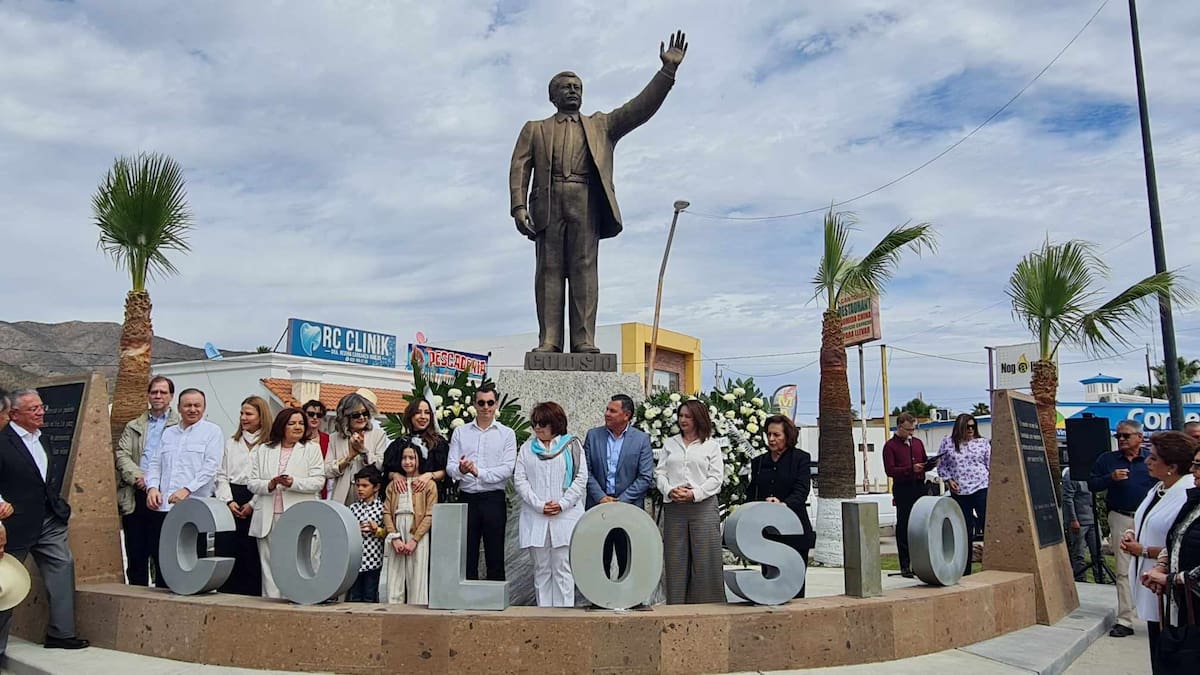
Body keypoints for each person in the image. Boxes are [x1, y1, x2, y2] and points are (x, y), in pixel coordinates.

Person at [508, 32, 688, 354]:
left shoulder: (600, 125)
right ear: (553, 96)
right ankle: (549, 340)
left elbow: (639, 109)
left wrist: (667, 73)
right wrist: (519, 207)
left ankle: (583, 340)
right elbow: (520, 167)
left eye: (577, 87)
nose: (573, 91)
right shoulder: (534, 128)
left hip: (585, 201)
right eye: (566, 87)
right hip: (548, 204)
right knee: (548, 272)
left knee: (584, 270)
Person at [0, 388, 89, 654]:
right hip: (13, 524)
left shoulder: (44, 439)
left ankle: (61, 634)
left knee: (62, 566)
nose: (40, 413)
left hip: (49, 519)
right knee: (7, 583)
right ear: (14, 414)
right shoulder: (2, 439)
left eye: (42, 407)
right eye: (33, 409)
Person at [1121, 431, 1195, 673]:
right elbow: (1146, 521)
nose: (1147, 462)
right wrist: (1132, 533)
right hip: (1151, 580)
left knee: (1174, 654)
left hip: (1173, 587)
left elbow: (1179, 542)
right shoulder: (1158, 488)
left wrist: (1143, 551)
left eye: (1153, 458)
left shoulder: (1185, 494)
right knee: (1159, 648)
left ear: (1172, 466)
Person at [145, 388, 224, 588]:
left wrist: (187, 489)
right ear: (179, 408)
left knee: (191, 558)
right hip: (165, 508)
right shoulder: (168, 433)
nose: (192, 409)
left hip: (195, 507)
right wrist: (152, 488)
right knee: (164, 557)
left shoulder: (212, 432)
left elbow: (210, 467)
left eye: (197, 405)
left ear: (204, 408)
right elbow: (155, 463)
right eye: (187, 405)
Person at [514, 402, 588, 607]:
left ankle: (564, 617)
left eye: (543, 423)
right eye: (535, 423)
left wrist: (562, 504)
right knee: (542, 568)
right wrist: (539, 505)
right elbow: (520, 480)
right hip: (536, 517)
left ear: (555, 424)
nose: (538, 428)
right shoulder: (527, 449)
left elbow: (581, 478)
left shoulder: (572, 445)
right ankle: (543, 615)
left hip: (565, 517)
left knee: (563, 568)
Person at [1089, 419, 1158, 637]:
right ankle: (1125, 620)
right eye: (1118, 436)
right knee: (1123, 570)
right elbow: (1092, 484)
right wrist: (1110, 478)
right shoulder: (1107, 459)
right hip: (1121, 516)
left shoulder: (1152, 459)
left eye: (1126, 436)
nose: (1121, 440)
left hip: (1149, 520)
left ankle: (1158, 617)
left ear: (1139, 437)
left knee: (1156, 566)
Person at [247, 407, 325, 599]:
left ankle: (298, 598)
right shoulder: (264, 450)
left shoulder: (311, 449)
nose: (297, 427)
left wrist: (294, 483)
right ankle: (271, 602)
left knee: (297, 560)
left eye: (300, 423)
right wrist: (270, 484)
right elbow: (252, 483)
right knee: (270, 563)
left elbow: (318, 481)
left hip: (298, 515)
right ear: (282, 426)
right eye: (292, 423)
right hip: (268, 514)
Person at [655, 399, 724, 604]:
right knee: (676, 561)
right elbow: (660, 473)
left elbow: (716, 478)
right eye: (681, 416)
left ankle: (708, 607)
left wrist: (695, 494)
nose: (683, 420)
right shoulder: (670, 443)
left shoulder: (711, 446)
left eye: (688, 416)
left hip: (702, 508)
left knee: (705, 560)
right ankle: (676, 605)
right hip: (675, 508)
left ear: (698, 418)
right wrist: (669, 490)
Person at [446, 383, 517, 581]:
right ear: (475, 405)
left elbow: (507, 469)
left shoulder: (507, 434)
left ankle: (494, 603)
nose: (486, 407)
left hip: (493, 498)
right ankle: (468, 601)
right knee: (467, 554)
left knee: (495, 553)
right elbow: (450, 466)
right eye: (481, 403)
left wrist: (479, 472)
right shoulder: (461, 432)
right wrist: (461, 470)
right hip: (467, 498)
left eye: (490, 403)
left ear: (496, 405)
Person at [1141, 438, 1200, 672]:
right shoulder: (1194, 501)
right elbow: (1176, 539)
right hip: (1186, 611)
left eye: (1199, 465)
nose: (1193, 471)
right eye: (1194, 464)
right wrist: (1161, 566)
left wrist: (1171, 579)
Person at [115, 375, 179, 587]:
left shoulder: (180, 426)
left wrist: (158, 484)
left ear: (171, 396)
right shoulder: (134, 426)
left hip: (166, 496)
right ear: (148, 395)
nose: (158, 396)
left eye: (163, 392)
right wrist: (139, 479)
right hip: (136, 494)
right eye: (154, 392)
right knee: (136, 553)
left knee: (162, 552)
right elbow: (122, 454)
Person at [583, 393, 654, 579]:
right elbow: (585, 471)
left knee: (627, 557)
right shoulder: (593, 436)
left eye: (612, 411)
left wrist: (620, 501)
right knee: (599, 557)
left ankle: (629, 600)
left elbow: (645, 476)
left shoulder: (641, 440)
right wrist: (601, 497)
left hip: (628, 509)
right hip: (598, 507)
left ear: (626, 415)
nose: (607, 413)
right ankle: (598, 601)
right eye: (607, 409)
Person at [746, 414, 815, 598]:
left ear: (788, 436)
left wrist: (783, 504)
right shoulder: (759, 462)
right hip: (768, 534)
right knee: (771, 583)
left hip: (795, 530)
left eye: (776, 435)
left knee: (795, 583)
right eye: (769, 434)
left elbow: (801, 490)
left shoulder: (800, 459)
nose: (771, 439)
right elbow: (753, 492)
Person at [213, 396, 271, 596]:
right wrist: (228, 501)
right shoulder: (231, 443)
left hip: (256, 498)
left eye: (248, 414)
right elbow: (220, 474)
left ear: (261, 417)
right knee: (228, 547)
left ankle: (252, 594)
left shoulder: (268, 446)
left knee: (251, 551)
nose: (243, 418)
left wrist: (252, 503)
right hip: (231, 497)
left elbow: (268, 477)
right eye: (241, 413)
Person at [936, 414, 991, 576]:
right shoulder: (948, 442)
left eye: (973, 427)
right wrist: (948, 480)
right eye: (967, 427)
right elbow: (941, 464)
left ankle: (992, 565)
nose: (971, 430)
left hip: (981, 487)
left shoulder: (982, 443)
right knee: (964, 530)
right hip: (959, 491)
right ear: (960, 427)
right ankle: (964, 570)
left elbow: (990, 464)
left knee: (986, 524)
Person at [382, 442, 435, 605]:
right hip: (397, 530)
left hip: (418, 532)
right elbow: (386, 512)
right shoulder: (394, 484)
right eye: (404, 458)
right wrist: (394, 537)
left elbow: (430, 514)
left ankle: (416, 616)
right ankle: (392, 613)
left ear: (419, 459)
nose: (408, 462)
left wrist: (414, 540)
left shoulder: (428, 484)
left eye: (412, 457)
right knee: (394, 577)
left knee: (417, 576)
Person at [382, 397, 452, 505]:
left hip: (430, 497)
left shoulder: (439, 443)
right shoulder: (399, 443)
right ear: (410, 416)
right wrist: (395, 475)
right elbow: (387, 470)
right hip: (403, 497)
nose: (423, 417)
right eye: (418, 412)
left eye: (427, 413)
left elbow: (445, 471)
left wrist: (430, 475)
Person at [324, 392, 388, 506]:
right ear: (345, 417)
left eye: (365, 413)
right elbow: (327, 470)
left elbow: (381, 465)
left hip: (369, 499)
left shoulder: (378, 435)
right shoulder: (335, 438)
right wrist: (349, 457)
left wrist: (363, 451)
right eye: (356, 415)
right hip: (342, 496)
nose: (362, 417)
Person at [883, 413, 928, 578]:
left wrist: (927, 465)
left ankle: (919, 562)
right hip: (903, 487)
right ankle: (905, 564)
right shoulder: (890, 446)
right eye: (908, 429)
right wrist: (910, 469)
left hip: (919, 486)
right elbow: (890, 470)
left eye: (913, 429)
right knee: (904, 525)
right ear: (900, 427)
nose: (911, 433)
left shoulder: (917, 443)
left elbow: (923, 460)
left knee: (919, 525)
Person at [346, 465, 386, 603]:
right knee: (355, 597)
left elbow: (388, 533)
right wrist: (355, 529)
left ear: (376, 487)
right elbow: (346, 533)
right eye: (358, 485)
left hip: (374, 561)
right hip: (355, 562)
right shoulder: (352, 508)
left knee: (370, 596)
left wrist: (377, 530)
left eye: (365, 485)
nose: (360, 489)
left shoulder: (382, 508)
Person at [1062, 467, 1099, 582]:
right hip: (1079, 521)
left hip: (1092, 520)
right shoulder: (1070, 475)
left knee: (1097, 553)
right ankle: (1081, 579)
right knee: (1079, 554)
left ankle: (1100, 578)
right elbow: (1068, 499)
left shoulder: (1092, 472)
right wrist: (1073, 520)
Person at [301, 399, 332, 499]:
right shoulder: (296, 439)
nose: (315, 417)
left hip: (321, 489)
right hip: (299, 485)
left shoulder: (328, 440)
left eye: (319, 415)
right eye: (311, 414)